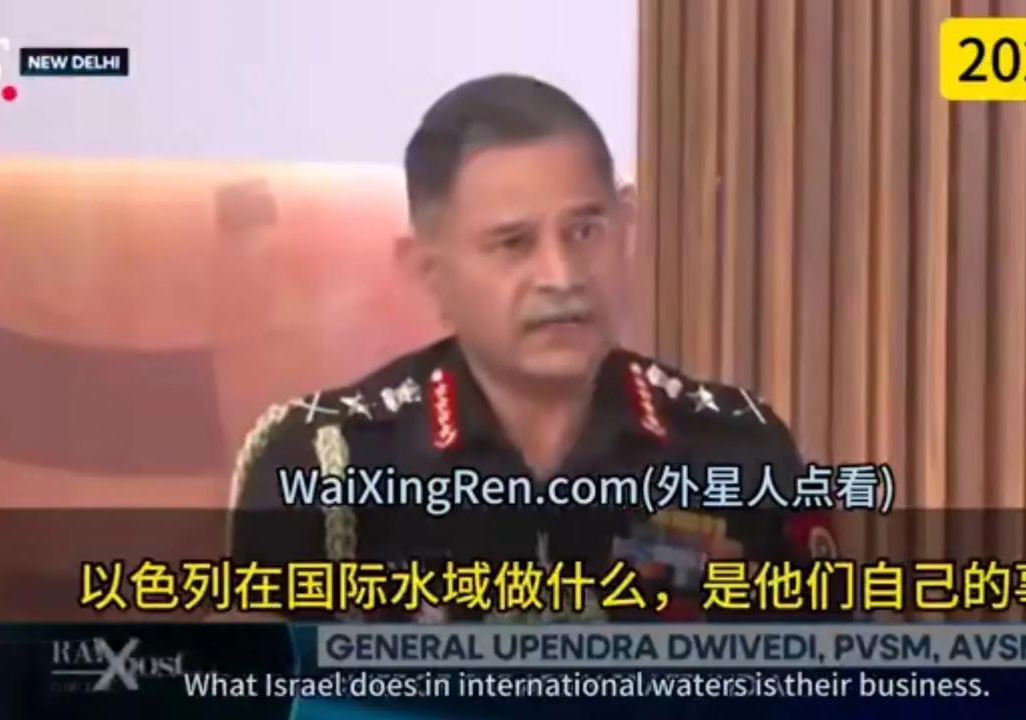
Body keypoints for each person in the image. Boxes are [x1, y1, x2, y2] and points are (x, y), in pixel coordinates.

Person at [227, 74, 839, 623]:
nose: (562, 276)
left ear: (627, 228)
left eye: (585, 231)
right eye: (514, 244)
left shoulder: (738, 448)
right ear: (428, 270)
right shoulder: (325, 464)